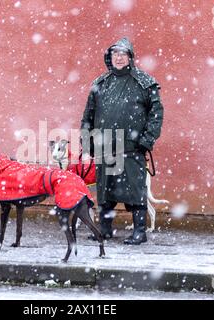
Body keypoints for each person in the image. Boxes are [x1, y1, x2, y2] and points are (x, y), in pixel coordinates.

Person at [80, 37, 164, 245]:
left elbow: (156, 114)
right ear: (110, 58)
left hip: (131, 148)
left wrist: (146, 140)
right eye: (115, 54)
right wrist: (87, 142)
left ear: (130, 57)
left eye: (123, 54)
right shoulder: (100, 84)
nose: (118, 57)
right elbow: (88, 116)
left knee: (136, 191)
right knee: (105, 191)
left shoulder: (144, 83)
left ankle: (139, 231)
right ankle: (105, 229)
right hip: (105, 147)